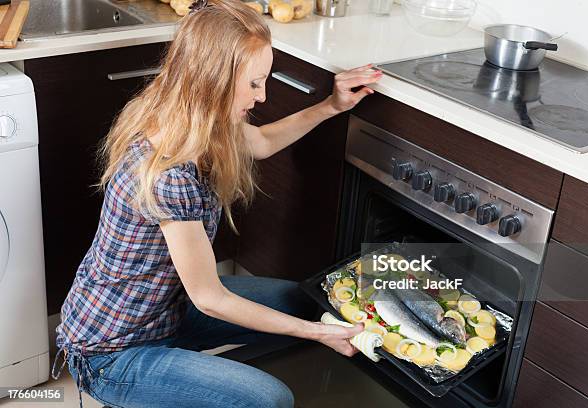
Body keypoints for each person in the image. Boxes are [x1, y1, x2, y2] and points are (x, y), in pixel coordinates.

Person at [51, 0, 382, 406]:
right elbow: (210, 298)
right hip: (112, 351)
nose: (262, 97)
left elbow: (260, 143)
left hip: (166, 306)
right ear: (214, 80)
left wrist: (332, 105)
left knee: (301, 301)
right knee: (269, 399)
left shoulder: (196, 115)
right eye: (255, 83)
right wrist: (316, 333)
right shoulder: (170, 171)